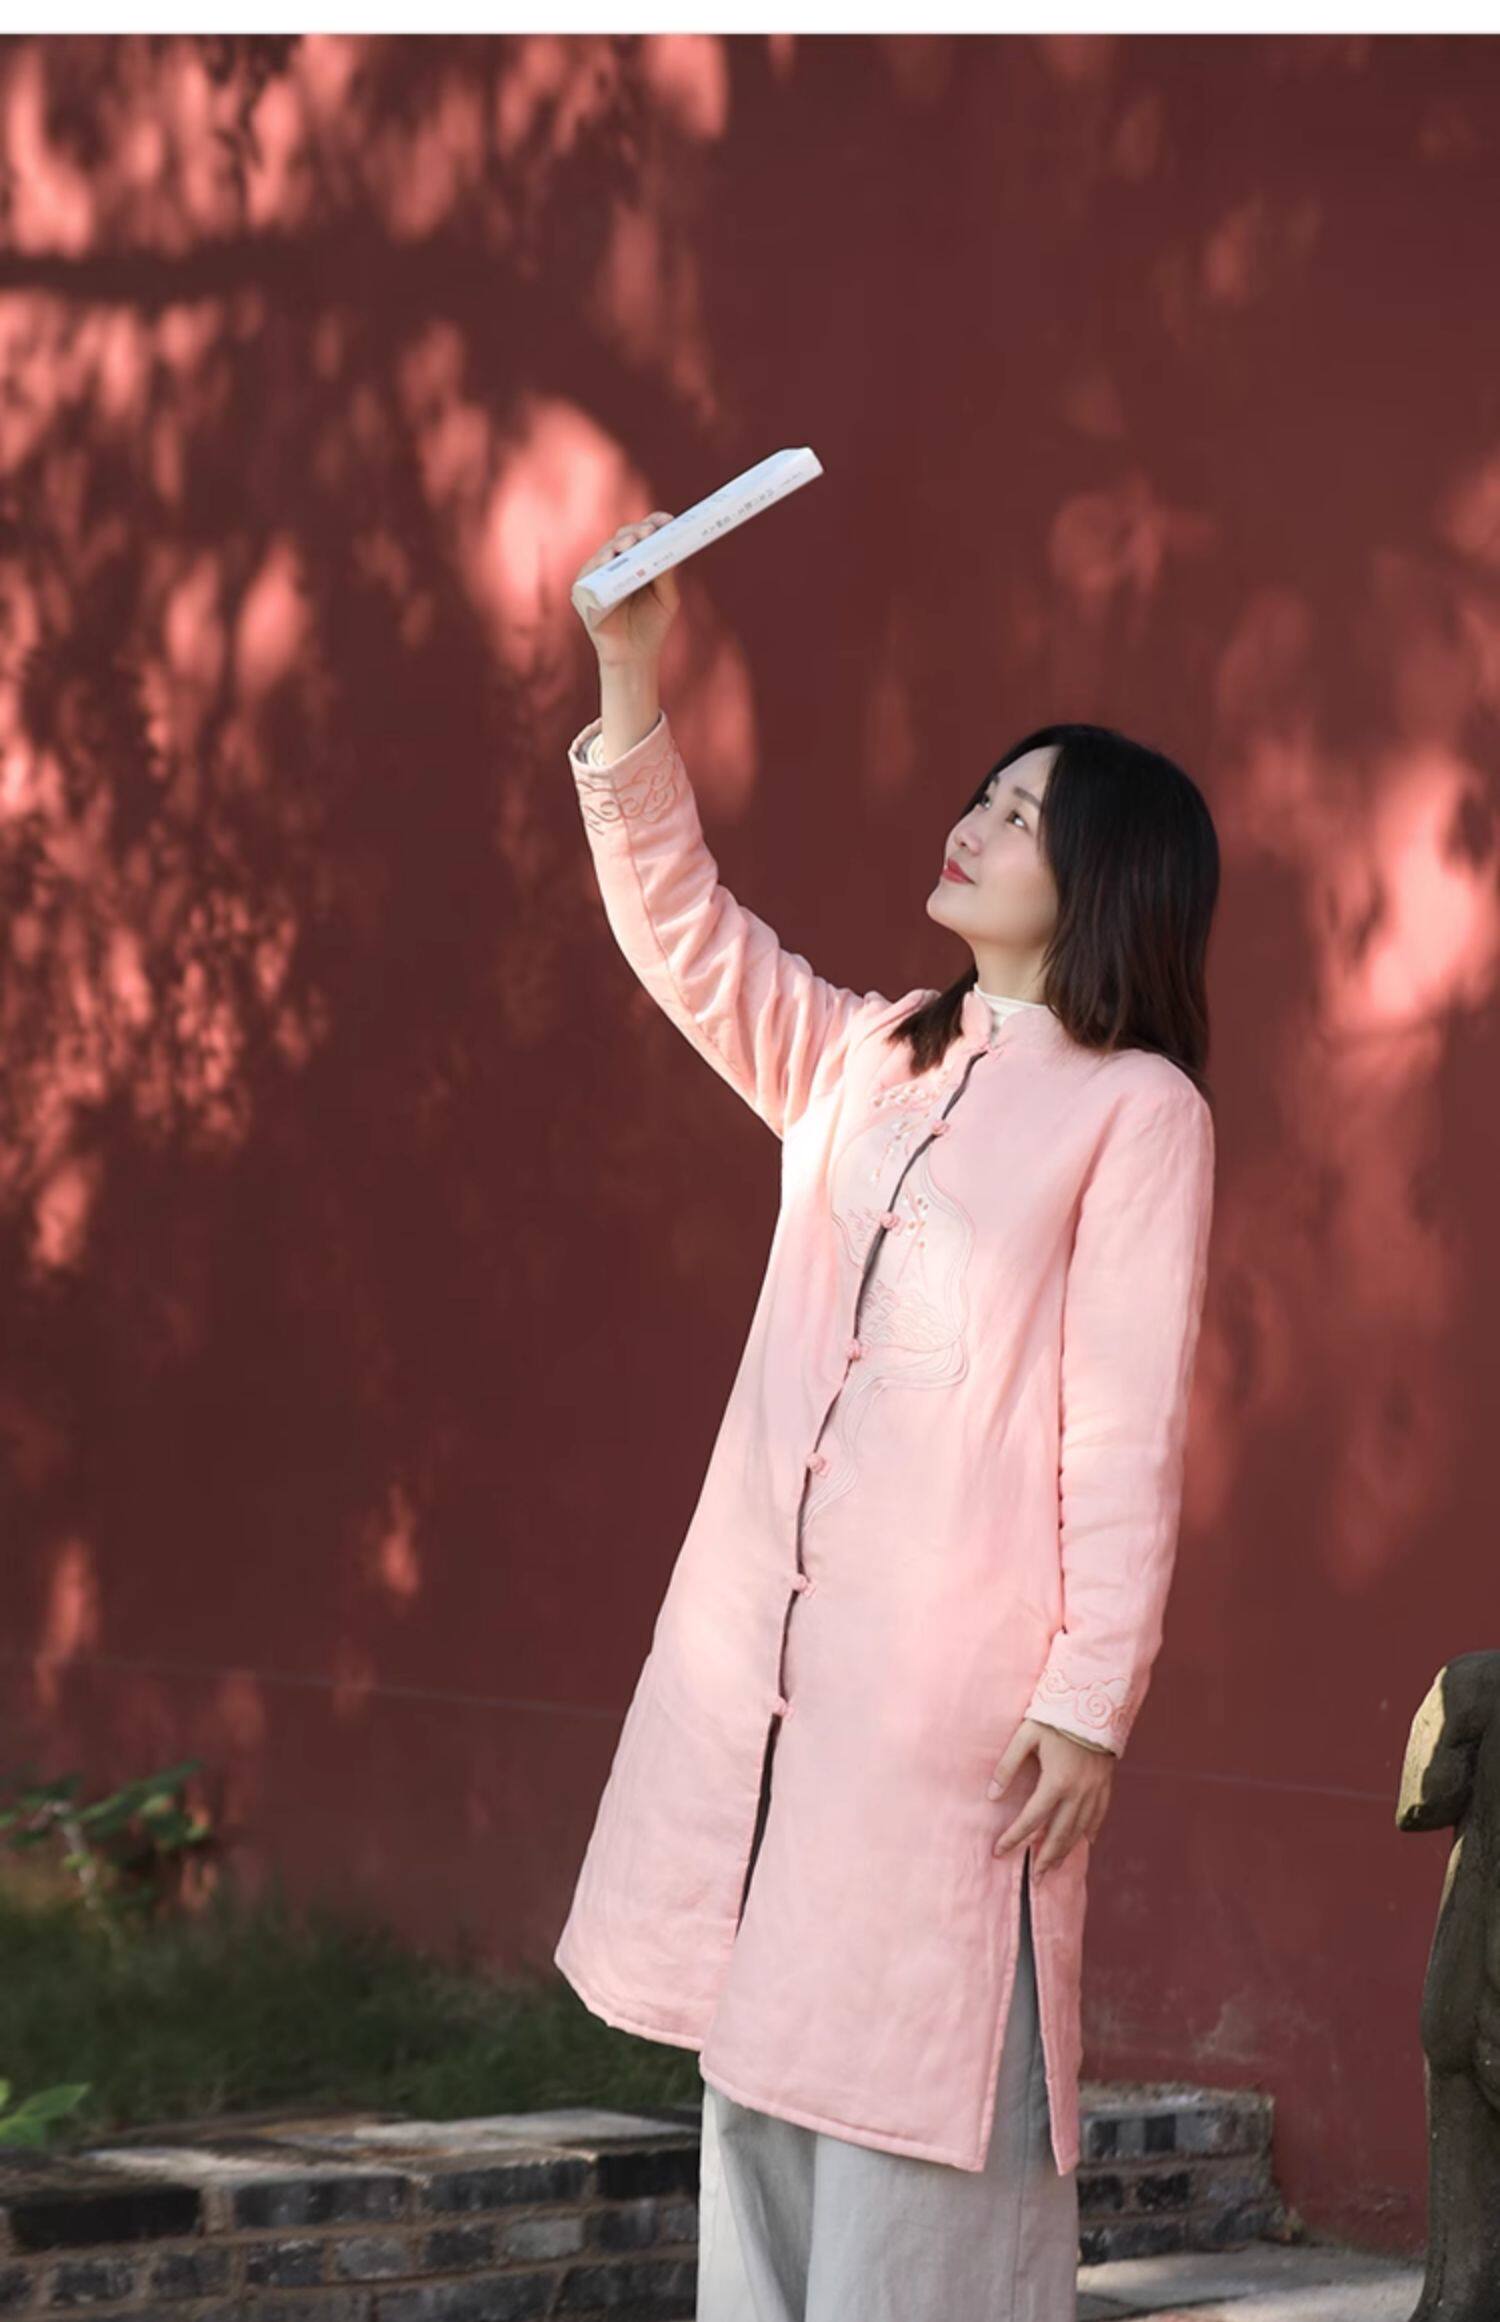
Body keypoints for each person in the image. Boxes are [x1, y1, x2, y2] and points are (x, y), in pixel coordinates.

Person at [553, 514, 1220, 2321]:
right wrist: (632, 674)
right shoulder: (869, 1054)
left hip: (955, 1728)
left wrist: (1089, 1696)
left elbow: (1125, 1427)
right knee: (763, 2110)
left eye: (1023, 813)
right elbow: (686, 934)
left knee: (922, 2128)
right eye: (983, 794)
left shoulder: (1137, 1112)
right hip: (787, 1712)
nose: (976, 823)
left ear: (1107, 876)